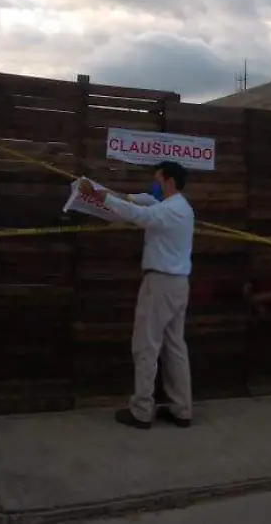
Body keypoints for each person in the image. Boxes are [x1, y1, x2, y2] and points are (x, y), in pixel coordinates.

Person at [76, 160, 195, 430]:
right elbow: (139, 201)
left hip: (160, 284)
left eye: (158, 180)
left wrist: (101, 197)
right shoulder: (177, 207)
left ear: (169, 182)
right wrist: (104, 192)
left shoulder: (170, 210)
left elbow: (138, 215)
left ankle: (141, 411)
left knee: (146, 346)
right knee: (174, 346)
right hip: (177, 284)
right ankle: (182, 410)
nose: (154, 185)